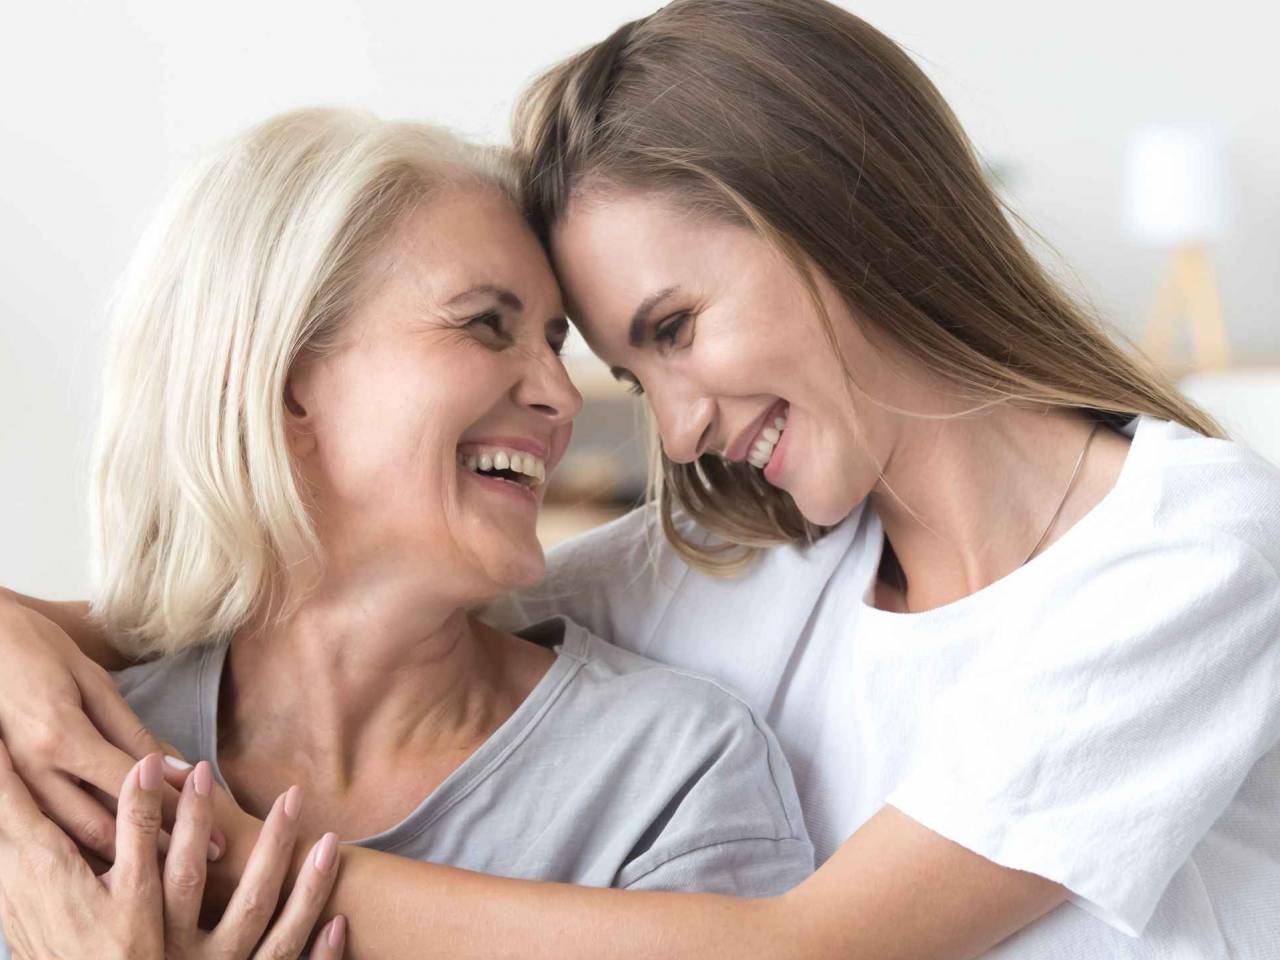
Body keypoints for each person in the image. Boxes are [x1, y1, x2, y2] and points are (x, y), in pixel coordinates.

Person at [3, 0, 1279, 956]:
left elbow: (794, 952)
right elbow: (340, 595)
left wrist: (205, 851)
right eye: (626, 361)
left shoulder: (1187, 547)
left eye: (671, 328)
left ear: (838, 218)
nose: (667, 435)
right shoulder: (759, 557)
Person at [0, 104, 814, 960]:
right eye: (484, 324)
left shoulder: (669, 778)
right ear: (283, 387)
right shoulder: (58, 761)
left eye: (553, 342)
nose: (562, 397)